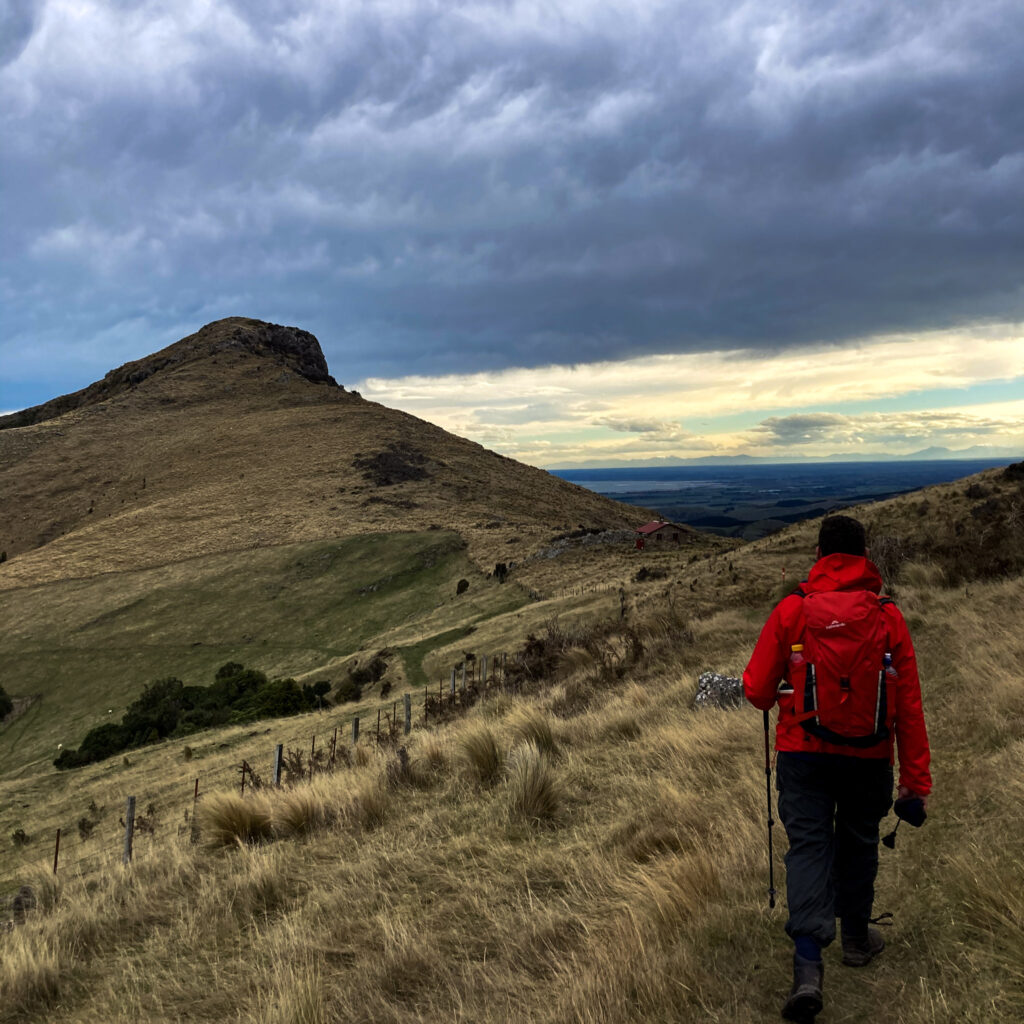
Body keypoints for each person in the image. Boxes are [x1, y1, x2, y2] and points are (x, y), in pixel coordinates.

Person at [743, 514, 931, 1022]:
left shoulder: (793, 611)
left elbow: (758, 691)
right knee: (859, 840)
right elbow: (909, 705)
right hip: (868, 756)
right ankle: (854, 939)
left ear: (821, 555)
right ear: (863, 556)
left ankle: (808, 968)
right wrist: (916, 781)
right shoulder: (888, 617)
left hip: (803, 754)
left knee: (808, 847)